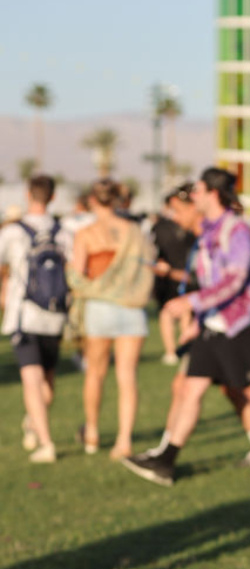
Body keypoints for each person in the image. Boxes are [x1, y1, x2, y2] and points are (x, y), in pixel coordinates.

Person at [121, 167, 250, 486]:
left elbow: (235, 280)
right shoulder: (210, 231)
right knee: (189, 387)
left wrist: (192, 304)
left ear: (214, 193)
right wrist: (198, 321)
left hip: (241, 325)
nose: (193, 195)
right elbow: (212, 279)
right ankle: (166, 460)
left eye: (198, 190)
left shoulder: (237, 230)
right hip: (213, 325)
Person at [67, 179, 154, 459]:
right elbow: (146, 268)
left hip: (99, 308)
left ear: (93, 200)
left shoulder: (86, 233)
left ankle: (92, 431)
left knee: (95, 372)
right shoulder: (133, 231)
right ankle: (124, 440)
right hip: (131, 307)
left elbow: (79, 275)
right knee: (127, 376)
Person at [0, 174, 71, 462]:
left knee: (32, 380)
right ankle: (36, 425)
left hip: (24, 315)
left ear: (29, 195)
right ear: (53, 197)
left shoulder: (13, 232)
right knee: (47, 381)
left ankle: (45, 442)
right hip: (55, 316)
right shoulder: (64, 232)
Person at [151, 182, 200, 365]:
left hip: (185, 283)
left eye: (178, 211)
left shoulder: (209, 237)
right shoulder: (161, 228)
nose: (176, 217)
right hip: (173, 282)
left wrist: (171, 272)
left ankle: (181, 348)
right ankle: (175, 350)